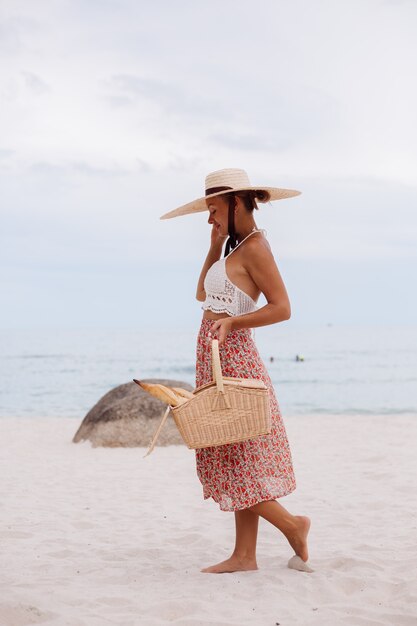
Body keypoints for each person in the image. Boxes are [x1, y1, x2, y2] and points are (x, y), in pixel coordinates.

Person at [160, 168, 311, 574]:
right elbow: (201, 295)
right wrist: (212, 247)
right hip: (215, 353)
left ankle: (293, 525)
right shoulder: (232, 247)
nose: (210, 219)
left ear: (237, 203)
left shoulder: (257, 247)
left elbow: (282, 307)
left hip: (233, 354)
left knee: (237, 454)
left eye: (213, 210)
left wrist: (233, 323)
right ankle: (245, 556)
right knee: (234, 452)